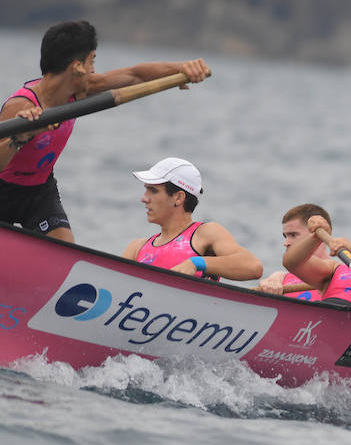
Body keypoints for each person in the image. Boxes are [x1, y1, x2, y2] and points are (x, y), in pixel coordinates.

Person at [1, 20, 211, 243]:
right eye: (92, 61)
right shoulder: (21, 106)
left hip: (39, 191)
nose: (93, 70)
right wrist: (20, 137)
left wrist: (182, 69)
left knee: (65, 252)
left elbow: (135, 75)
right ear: (76, 67)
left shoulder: (79, 90)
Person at [119, 157, 261, 281]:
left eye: (153, 191)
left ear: (178, 197)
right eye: (146, 190)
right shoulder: (136, 248)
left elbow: (253, 267)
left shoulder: (205, 233)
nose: (144, 198)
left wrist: (196, 263)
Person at [256, 203, 333, 300]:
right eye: (285, 236)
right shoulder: (281, 278)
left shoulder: (346, 275)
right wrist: (268, 283)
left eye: (293, 235)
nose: (286, 243)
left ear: (319, 234)